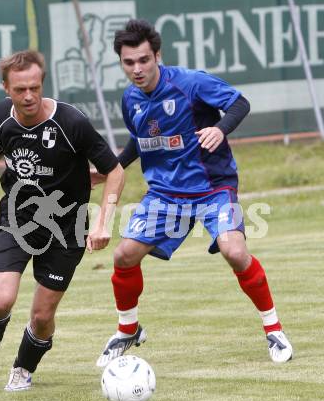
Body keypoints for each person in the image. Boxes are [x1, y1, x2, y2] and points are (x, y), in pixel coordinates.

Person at [94, 19, 292, 367]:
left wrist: (219, 128)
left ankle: (273, 328)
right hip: (166, 194)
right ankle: (128, 329)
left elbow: (239, 103)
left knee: (234, 250)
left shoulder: (189, 82)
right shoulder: (130, 99)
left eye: (144, 60)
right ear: (121, 63)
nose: (137, 69)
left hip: (212, 187)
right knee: (124, 255)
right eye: (129, 63)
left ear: (157, 55)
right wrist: (113, 167)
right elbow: (141, 141)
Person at [0, 50, 124, 391]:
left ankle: (23, 368)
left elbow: (115, 171)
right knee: (1, 300)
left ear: (42, 83)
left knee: (43, 317)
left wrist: (104, 221)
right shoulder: (0, 117)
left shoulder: (71, 122)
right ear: (6, 88)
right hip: (18, 217)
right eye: (20, 89)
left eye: (35, 87)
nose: (29, 95)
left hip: (67, 225)